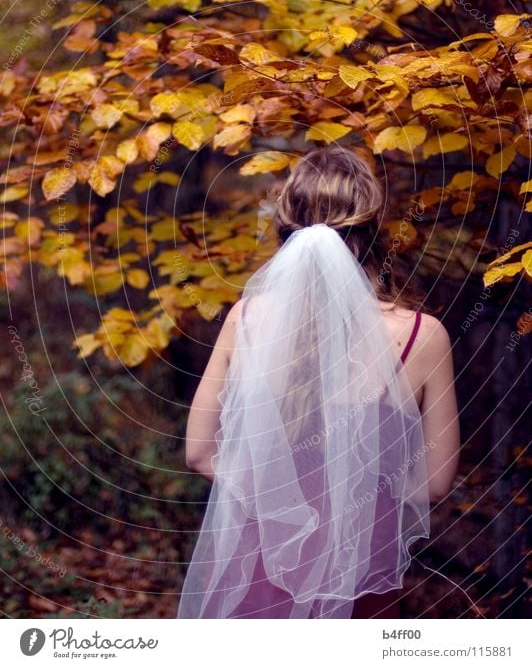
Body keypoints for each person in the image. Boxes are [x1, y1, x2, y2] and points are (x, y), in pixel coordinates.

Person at [178, 146, 460, 619]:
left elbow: (198, 452)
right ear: (372, 231)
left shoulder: (246, 320)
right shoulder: (423, 337)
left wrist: (280, 502)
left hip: (263, 557)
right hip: (359, 567)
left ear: (286, 226)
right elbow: (432, 485)